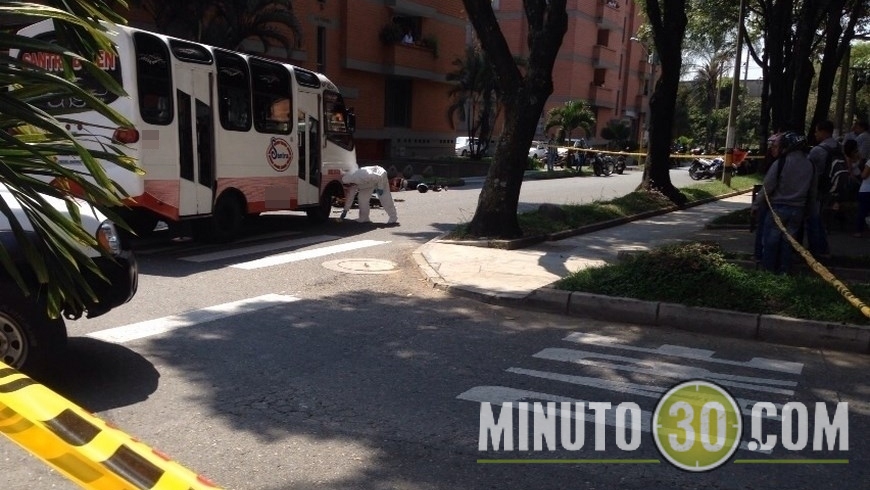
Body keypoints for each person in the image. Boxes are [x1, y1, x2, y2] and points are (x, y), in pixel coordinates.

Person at [750, 131, 814, 274]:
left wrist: (756, 205)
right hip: (798, 210)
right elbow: (812, 190)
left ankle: (768, 272)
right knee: (788, 243)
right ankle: (784, 272)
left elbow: (767, 187)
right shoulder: (810, 164)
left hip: (778, 209)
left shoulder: (781, 163)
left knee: (771, 242)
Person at [804, 120, 837, 258]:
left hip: (818, 189)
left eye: (817, 131)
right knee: (821, 220)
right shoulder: (838, 147)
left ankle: (816, 250)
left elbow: (807, 169)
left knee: (814, 219)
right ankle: (823, 248)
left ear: (824, 132)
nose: (815, 134)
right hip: (833, 188)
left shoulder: (818, 150)